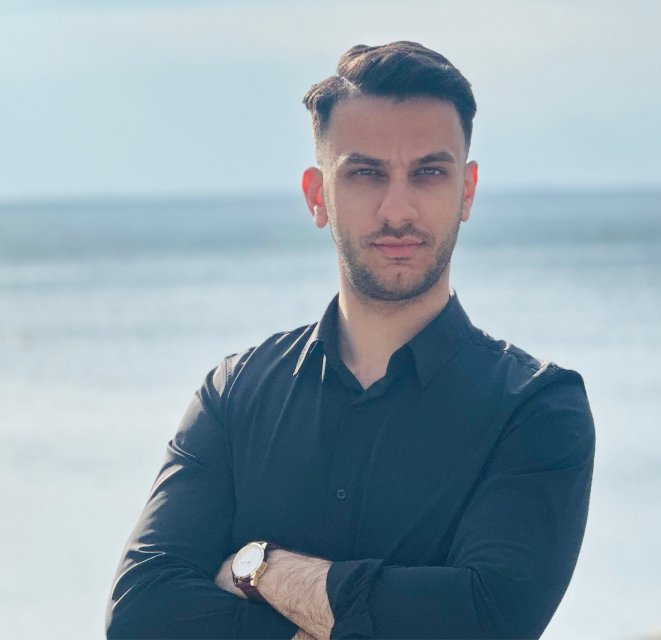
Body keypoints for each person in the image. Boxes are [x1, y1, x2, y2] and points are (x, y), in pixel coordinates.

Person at [106, 41, 595, 640]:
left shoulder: (536, 408)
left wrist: (261, 569)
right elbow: (140, 614)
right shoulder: (234, 394)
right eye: (366, 173)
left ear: (466, 192)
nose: (398, 209)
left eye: (429, 172)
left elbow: (487, 621)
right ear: (318, 196)